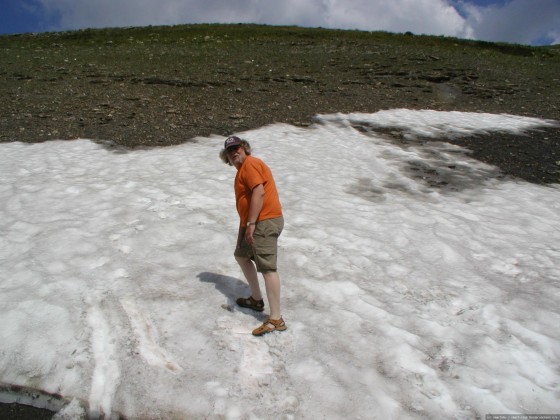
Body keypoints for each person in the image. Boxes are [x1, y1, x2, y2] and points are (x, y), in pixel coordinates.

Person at [220, 135, 287, 336]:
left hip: (264, 222)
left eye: (237, 148)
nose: (234, 153)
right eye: (230, 151)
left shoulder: (250, 164)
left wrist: (251, 224)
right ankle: (256, 300)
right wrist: (243, 230)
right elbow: (247, 203)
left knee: (267, 268)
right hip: (254, 223)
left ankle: (276, 319)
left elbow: (259, 192)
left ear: (245, 148)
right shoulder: (242, 171)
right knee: (241, 255)